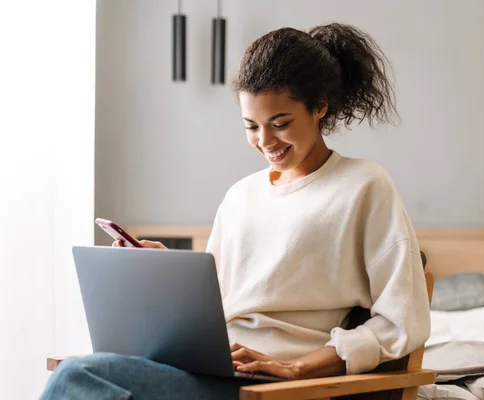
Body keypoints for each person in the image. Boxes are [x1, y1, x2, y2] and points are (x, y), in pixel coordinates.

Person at [40, 23, 431, 400]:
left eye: (280, 123)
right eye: (251, 126)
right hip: (215, 369)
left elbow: (403, 321)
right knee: (84, 369)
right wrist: (171, 276)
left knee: (81, 376)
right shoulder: (241, 195)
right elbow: (220, 304)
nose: (265, 141)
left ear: (320, 108)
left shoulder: (364, 185)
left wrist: (298, 368)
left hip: (276, 386)